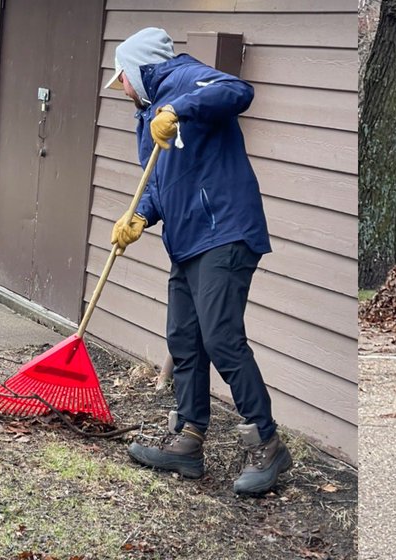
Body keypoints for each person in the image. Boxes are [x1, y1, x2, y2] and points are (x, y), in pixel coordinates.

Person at [109, 27, 292, 497]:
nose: (122, 89)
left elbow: (239, 91)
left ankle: (267, 443)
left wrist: (178, 108)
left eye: (123, 79)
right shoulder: (148, 116)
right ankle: (188, 441)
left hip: (225, 232)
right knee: (184, 340)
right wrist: (139, 217)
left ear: (138, 70)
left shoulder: (187, 79)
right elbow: (158, 185)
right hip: (187, 240)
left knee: (221, 338)